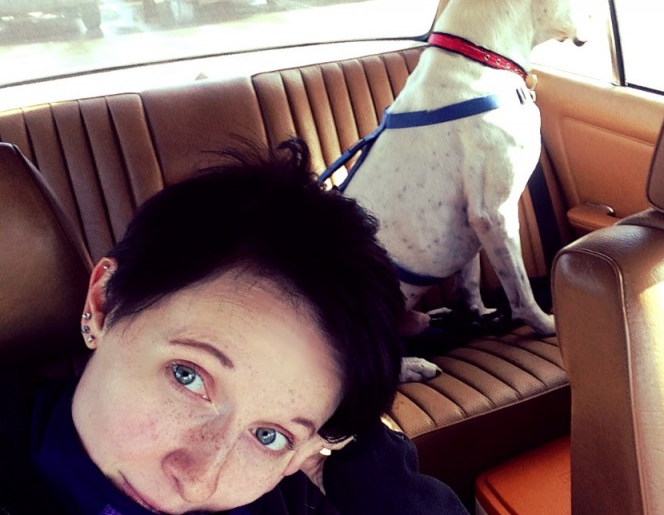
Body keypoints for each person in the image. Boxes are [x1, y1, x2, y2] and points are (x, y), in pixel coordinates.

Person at [0, 138, 469, 514]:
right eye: (188, 376)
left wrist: (362, 462)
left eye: (269, 435)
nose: (197, 481)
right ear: (104, 302)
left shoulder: (292, 494)